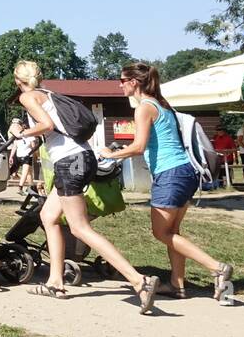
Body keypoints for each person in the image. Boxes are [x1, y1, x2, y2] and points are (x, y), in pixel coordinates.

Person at [13, 60, 157, 311]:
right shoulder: (49, 94)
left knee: (79, 228)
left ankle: (139, 281)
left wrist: (20, 133)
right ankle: (55, 281)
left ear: (18, 80)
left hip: (69, 163)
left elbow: (46, 125)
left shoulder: (28, 97)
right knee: (48, 216)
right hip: (82, 157)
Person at [100, 62, 234, 300]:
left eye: (122, 81)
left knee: (161, 233)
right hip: (184, 172)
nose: (120, 85)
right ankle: (177, 285)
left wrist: (111, 155)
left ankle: (217, 268)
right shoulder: (162, 104)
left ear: (133, 82)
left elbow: (139, 146)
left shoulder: (144, 108)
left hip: (170, 174)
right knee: (173, 231)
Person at [7, 117, 38, 193]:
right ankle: (20, 188)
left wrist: (11, 156)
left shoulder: (17, 136)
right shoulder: (30, 135)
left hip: (19, 155)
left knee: (29, 173)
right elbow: (33, 147)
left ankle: (32, 187)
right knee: (25, 173)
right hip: (27, 156)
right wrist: (36, 155)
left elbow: (14, 147)